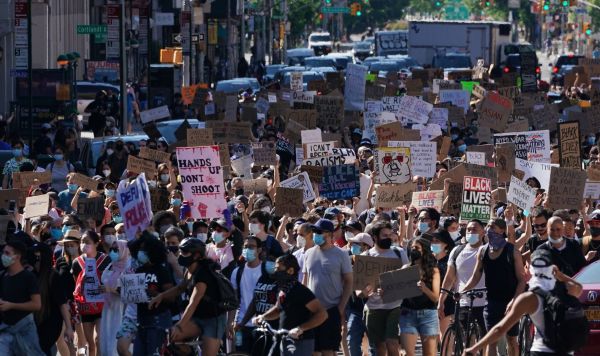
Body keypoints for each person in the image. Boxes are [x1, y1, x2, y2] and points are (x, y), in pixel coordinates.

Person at [464, 249, 583, 356]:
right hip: (566, 351)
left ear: (529, 270)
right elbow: (579, 287)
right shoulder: (567, 291)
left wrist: (474, 348)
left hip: (542, 351)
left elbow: (500, 329)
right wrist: (561, 276)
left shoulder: (529, 298)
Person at [150, 238, 227, 356]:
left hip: (213, 320)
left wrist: (180, 325)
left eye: (185, 253)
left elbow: (192, 303)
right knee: (172, 337)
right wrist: (161, 296)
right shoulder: (189, 270)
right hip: (197, 317)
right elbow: (180, 288)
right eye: (180, 252)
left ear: (196, 256)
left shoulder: (203, 275)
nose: (181, 255)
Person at [462, 219, 526, 356]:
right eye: (488, 226)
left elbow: (521, 280)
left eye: (493, 226)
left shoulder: (512, 251)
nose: (489, 229)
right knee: (491, 341)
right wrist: (462, 291)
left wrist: (514, 301)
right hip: (491, 302)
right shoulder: (483, 251)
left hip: (511, 303)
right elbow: (475, 276)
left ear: (502, 231)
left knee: (511, 339)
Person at [254, 254, 328, 356]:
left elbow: (322, 314)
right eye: (275, 268)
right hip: (284, 339)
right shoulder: (283, 290)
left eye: (279, 269)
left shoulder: (301, 291)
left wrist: (300, 329)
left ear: (290, 271)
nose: (276, 272)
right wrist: (263, 317)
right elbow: (278, 309)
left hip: (301, 341)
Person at [302, 218, 353, 356]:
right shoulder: (308, 253)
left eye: (319, 232)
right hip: (312, 311)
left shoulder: (341, 255)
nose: (315, 234)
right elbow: (305, 282)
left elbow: (349, 282)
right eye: (314, 231)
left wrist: (340, 307)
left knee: (328, 351)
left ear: (330, 234)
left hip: (331, 310)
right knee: (313, 351)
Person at [361, 222, 408, 356]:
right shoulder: (366, 257)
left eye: (389, 235)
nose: (388, 238)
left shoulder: (399, 253)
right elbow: (359, 290)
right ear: (375, 237)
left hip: (395, 306)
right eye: (384, 235)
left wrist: (392, 288)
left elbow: (408, 279)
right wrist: (366, 291)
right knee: (380, 346)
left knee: (392, 343)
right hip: (373, 307)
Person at [438, 219, 487, 342]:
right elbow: (449, 278)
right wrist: (441, 301)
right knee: (465, 341)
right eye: (469, 229)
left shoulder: (489, 251)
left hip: (485, 303)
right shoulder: (457, 251)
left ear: (483, 232)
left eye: (474, 229)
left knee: (483, 341)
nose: (470, 232)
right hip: (463, 302)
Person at [0, 239, 45, 355]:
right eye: (3, 252)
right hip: (5, 331)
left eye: (7, 253)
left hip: (25, 330)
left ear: (17, 257)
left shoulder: (28, 277)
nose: (3, 256)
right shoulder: (3, 275)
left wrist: (11, 305)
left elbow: (36, 304)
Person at [71, 230, 111, 356]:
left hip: (101, 305)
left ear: (96, 243)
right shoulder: (77, 262)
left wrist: (105, 287)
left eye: (87, 242)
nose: (84, 244)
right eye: (82, 242)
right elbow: (76, 282)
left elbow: (111, 279)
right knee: (90, 344)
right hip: (85, 307)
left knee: (98, 339)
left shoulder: (105, 260)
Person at [400, 238, 441, 356]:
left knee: (429, 353)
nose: (414, 250)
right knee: (407, 353)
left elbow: (435, 298)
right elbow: (398, 292)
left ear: (424, 251)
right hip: (408, 314)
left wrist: (425, 289)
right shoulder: (405, 268)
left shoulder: (433, 271)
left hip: (428, 315)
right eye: (412, 248)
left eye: (417, 248)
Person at [31, 242, 73, 356]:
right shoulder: (31, 275)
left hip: (51, 322)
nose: (35, 261)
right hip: (35, 322)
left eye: (38, 258)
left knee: (43, 349)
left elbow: (62, 304)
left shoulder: (53, 277)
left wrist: (69, 328)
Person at [228, 236, 265, 352]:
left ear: (259, 250)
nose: (247, 249)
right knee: (240, 353)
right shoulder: (237, 272)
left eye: (251, 246)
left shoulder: (267, 270)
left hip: (262, 326)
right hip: (241, 326)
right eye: (245, 247)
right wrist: (230, 322)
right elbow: (234, 299)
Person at [99, 239, 130, 356]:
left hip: (121, 309)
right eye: (111, 249)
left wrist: (112, 290)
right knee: (106, 339)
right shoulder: (110, 265)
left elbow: (129, 291)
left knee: (116, 341)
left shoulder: (128, 268)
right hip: (108, 309)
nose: (112, 252)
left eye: (116, 250)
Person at [430, 229, 455, 340]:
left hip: (447, 302)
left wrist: (442, 301)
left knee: (445, 338)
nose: (434, 244)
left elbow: (450, 282)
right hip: (431, 303)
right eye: (432, 241)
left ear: (445, 244)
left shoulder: (448, 262)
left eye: (437, 241)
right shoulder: (430, 261)